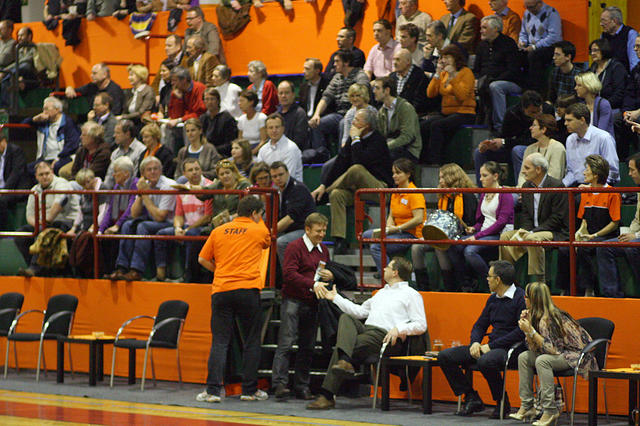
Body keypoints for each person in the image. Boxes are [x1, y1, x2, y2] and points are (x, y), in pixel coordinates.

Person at [306, 257, 427, 410]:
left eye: (388, 267)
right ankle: (344, 362)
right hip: (368, 331)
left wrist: (399, 329)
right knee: (346, 318)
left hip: (386, 337)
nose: (384, 269)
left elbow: (421, 324)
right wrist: (335, 298)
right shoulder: (381, 293)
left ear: (395, 272)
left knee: (343, 348)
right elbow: (359, 312)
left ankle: (328, 393)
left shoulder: (411, 294)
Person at [196, 196, 271, 403]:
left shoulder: (218, 231)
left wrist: (219, 271)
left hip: (222, 289)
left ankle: (212, 391)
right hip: (248, 290)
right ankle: (249, 391)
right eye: (260, 214)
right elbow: (267, 242)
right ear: (254, 213)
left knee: (219, 342)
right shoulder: (259, 230)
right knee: (251, 341)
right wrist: (259, 221)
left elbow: (202, 259)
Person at [438, 260, 525, 419]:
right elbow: (480, 325)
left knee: (486, 361)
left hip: (513, 348)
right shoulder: (493, 299)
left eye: (489, 276)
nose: (487, 279)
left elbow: (520, 332)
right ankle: (471, 397)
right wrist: (476, 342)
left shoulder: (521, 298)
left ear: (498, 280)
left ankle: (501, 402)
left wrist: (491, 346)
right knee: (445, 356)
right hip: (490, 346)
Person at [511, 282, 597, 425]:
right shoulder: (535, 315)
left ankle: (550, 410)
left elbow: (553, 350)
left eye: (526, 296)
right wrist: (527, 330)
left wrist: (531, 331)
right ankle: (527, 405)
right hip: (558, 354)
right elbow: (534, 348)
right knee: (524, 357)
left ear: (534, 299)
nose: (524, 299)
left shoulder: (553, 317)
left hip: (576, 354)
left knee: (542, 360)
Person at [311, 108, 393, 254]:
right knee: (337, 194)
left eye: (357, 120)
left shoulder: (378, 140)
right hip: (359, 191)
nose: (353, 122)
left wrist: (355, 139)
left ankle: (323, 195)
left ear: (366, 126)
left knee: (356, 169)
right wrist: (323, 184)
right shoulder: (353, 140)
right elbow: (340, 163)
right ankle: (340, 240)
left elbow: (360, 161)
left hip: (380, 190)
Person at [272, 213, 332, 401]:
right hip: (293, 300)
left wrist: (330, 276)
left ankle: (302, 386)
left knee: (308, 346)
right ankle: (279, 384)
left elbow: (322, 271)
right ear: (307, 229)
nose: (322, 234)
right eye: (318, 231)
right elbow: (289, 274)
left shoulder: (323, 250)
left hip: (312, 302)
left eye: (324, 230)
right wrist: (312, 284)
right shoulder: (294, 247)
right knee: (286, 342)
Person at [106, 156, 176, 282]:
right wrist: (140, 193)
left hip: (168, 223)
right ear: (143, 173)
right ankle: (121, 268)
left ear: (161, 171)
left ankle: (136, 270)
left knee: (143, 227)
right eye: (149, 170)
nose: (153, 172)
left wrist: (145, 194)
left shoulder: (169, 185)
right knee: (127, 224)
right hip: (152, 220)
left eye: (156, 169)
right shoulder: (145, 184)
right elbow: (134, 214)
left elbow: (160, 217)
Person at [501, 153, 568, 282]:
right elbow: (526, 215)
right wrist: (526, 230)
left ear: (538, 169)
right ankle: (508, 279)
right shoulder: (526, 186)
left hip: (555, 231)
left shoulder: (556, 186)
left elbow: (557, 218)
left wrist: (532, 232)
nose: (523, 171)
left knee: (532, 239)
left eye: (527, 168)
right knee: (505, 237)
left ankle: (538, 283)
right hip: (532, 230)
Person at [448, 161, 514, 291]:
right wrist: (474, 228)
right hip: (484, 234)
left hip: (499, 234)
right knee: (454, 245)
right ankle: (467, 283)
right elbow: (481, 220)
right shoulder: (484, 193)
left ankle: (492, 283)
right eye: (480, 175)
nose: (480, 179)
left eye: (484, 175)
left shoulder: (505, 194)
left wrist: (477, 236)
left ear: (495, 176)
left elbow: (501, 223)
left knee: (470, 251)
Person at [415, 163, 477, 290]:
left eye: (443, 177)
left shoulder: (467, 195)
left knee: (441, 246)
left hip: (460, 235)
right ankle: (423, 287)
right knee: (416, 247)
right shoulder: (443, 195)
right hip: (443, 235)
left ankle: (451, 286)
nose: (440, 181)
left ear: (452, 177)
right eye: (440, 178)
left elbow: (470, 221)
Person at [15, 161, 80, 277]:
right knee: (21, 235)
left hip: (65, 222)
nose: (44, 177)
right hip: (43, 223)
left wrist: (45, 222)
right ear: (36, 176)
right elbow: (29, 215)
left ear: (52, 172)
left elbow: (60, 203)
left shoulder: (61, 184)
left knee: (44, 231)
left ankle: (35, 268)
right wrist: (38, 224)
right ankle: (38, 269)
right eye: (41, 175)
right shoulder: (35, 190)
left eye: (47, 173)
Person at [362, 158, 425, 275]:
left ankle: (387, 276)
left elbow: (418, 219)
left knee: (376, 247)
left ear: (408, 174)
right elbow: (391, 215)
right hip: (396, 232)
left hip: (411, 234)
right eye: (393, 173)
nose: (394, 176)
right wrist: (388, 228)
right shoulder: (395, 192)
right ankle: (384, 266)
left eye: (398, 173)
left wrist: (397, 229)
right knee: (365, 235)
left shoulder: (414, 193)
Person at [474, 90, 551, 184]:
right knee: (479, 152)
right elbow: (504, 137)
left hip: (536, 147)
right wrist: (492, 144)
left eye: (539, 110)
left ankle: (522, 187)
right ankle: (482, 190)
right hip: (513, 147)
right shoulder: (512, 113)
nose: (537, 115)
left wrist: (505, 142)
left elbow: (531, 140)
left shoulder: (548, 111)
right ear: (524, 109)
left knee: (517, 150)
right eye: (532, 112)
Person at [156, 158, 212, 282]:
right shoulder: (183, 189)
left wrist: (187, 230)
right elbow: (178, 215)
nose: (195, 172)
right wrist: (178, 228)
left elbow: (208, 217)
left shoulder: (209, 187)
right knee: (161, 234)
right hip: (187, 227)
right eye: (190, 170)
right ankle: (161, 275)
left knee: (190, 235)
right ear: (184, 174)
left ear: (201, 170)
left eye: (197, 169)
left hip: (203, 227)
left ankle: (188, 276)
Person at [309, 49, 369, 160]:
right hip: (339, 114)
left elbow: (362, 97)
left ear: (346, 62)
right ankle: (321, 156)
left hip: (356, 113)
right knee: (317, 124)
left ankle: (343, 158)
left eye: (337, 61)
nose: (334, 64)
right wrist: (316, 114)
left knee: (343, 124)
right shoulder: (337, 77)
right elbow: (326, 97)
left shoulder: (360, 76)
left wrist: (349, 115)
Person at [422, 44, 476, 164]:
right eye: (442, 57)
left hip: (464, 113)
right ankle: (423, 161)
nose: (443, 60)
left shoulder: (466, 72)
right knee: (424, 125)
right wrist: (437, 74)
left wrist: (452, 77)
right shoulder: (443, 74)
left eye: (447, 57)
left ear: (455, 58)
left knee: (437, 125)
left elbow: (462, 96)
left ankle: (435, 162)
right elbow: (430, 93)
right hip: (447, 113)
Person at [575, 155, 621, 296]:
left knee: (585, 248)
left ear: (595, 174)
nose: (584, 173)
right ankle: (571, 290)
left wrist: (594, 235)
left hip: (607, 235)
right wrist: (580, 233)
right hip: (590, 234)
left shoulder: (612, 193)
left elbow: (614, 223)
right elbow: (583, 220)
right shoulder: (585, 193)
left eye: (587, 170)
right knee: (568, 247)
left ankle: (592, 289)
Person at [596, 152, 640, 298]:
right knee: (604, 247)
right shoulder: (638, 189)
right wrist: (630, 232)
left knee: (632, 246)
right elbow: (637, 219)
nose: (629, 174)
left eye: (632, 170)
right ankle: (612, 296)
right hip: (637, 235)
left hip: (638, 238)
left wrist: (635, 236)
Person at [474, 14, 522, 134]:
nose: (481, 31)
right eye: (481, 28)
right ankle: (478, 122)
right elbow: (477, 69)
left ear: (495, 29)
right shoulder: (481, 45)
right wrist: (475, 80)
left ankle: (500, 126)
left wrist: (493, 80)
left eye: (484, 28)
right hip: (485, 80)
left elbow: (513, 71)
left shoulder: (508, 44)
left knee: (495, 86)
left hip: (510, 82)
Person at [270, 161, 316, 266]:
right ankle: (273, 274)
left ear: (287, 173)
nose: (278, 178)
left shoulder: (298, 189)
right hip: (288, 230)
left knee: (281, 242)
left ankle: (288, 273)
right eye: (274, 176)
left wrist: (270, 232)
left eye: (281, 175)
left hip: (306, 229)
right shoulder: (275, 192)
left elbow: (290, 218)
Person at [98, 156, 138, 274]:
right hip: (117, 221)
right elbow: (109, 210)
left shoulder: (135, 184)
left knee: (124, 228)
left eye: (116, 172)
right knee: (102, 236)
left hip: (132, 220)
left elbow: (130, 208)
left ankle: (121, 268)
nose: (113, 175)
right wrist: (100, 229)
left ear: (126, 173)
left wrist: (117, 225)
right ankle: (105, 272)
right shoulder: (116, 186)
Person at [563, 103, 619, 187]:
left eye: (569, 120)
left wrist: (592, 186)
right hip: (578, 187)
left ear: (582, 120)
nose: (565, 123)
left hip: (601, 188)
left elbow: (612, 172)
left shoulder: (603, 138)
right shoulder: (570, 140)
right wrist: (560, 186)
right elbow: (571, 172)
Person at [22, 96, 80, 176]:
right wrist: (35, 119)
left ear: (57, 110)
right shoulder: (43, 122)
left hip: (63, 157)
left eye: (46, 109)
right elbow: (23, 126)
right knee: (26, 169)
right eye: (43, 109)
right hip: (45, 159)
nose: (44, 112)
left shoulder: (68, 123)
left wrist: (59, 158)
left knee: (56, 167)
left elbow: (72, 144)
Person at [373, 77, 422, 162]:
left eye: (377, 88)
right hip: (392, 146)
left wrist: (385, 147)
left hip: (409, 150)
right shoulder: (382, 112)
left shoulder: (405, 107)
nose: (374, 91)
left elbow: (407, 137)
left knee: (386, 156)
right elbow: (381, 135)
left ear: (387, 90)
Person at [518, 0, 562, 92]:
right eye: (526, 7)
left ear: (540, 4)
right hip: (531, 46)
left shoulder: (551, 13)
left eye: (531, 7)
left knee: (534, 56)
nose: (529, 10)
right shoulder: (526, 13)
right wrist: (522, 42)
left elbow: (554, 37)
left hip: (549, 47)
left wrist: (535, 46)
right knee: (519, 54)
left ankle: (537, 90)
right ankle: (523, 87)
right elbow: (523, 33)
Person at [518, 114, 566, 186]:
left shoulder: (557, 148)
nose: (530, 128)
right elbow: (522, 175)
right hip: (528, 189)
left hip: (548, 190)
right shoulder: (529, 149)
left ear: (543, 129)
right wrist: (522, 189)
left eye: (534, 125)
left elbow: (555, 176)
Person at [256, 113, 303, 182]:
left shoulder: (291, 148)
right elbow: (259, 173)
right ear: (266, 130)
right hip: (268, 186)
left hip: (290, 187)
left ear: (283, 128)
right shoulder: (263, 149)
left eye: (277, 127)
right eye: (271, 128)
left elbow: (287, 177)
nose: (274, 130)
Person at [103, 120, 146, 189]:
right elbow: (110, 177)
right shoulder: (115, 153)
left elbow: (135, 177)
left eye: (117, 133)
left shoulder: (141, 151)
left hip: (134, 190)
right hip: (117, 191)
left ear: (127, 134)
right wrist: (105, 191)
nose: (114, 136)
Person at [588, 38, 628, 111]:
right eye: (591, 51)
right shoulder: (593, 67)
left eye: (595, 50)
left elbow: (619, 94)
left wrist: (601, 106)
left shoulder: (617, 67)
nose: (592, 53)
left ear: (604, 50)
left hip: (612, 107)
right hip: (593, 106)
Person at [0, 133, 29, 230]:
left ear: (3, 141)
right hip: (3, 189)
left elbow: (16, 174)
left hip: (17, 189)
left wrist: (4, 191)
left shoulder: (15, 151)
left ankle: (2, 231)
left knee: (1, 201)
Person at [388, 49, 430, 115]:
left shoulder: (419, 76)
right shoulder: (392, 77)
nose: (394, 63)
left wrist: (405, 113)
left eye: (398, 60)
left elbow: (419, 102)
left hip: (412, 114)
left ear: (408, 61)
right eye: (394, 60)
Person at [199, 87, 238, 158]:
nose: (209, 102)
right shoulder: (203, 118)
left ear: (218, 101)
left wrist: (212, 150)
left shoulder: (227, 118)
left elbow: (230, 143)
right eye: (207, 99)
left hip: (223, 153)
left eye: (212, 99)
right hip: (206, 152)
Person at [574, 71, 614, 137]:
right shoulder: (581, 105)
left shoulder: (603, 104)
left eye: (579, 85)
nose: (575, 88)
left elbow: (601, 132)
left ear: (588, 86)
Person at [599, 6, 639, 73]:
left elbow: (634, 63)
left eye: (604, 21)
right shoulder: (603, 36)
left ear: (614, 21)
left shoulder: (630, 34)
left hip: (625, 76)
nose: (601, 24)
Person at [276, 80, 309, 152]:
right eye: (281, 93)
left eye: (287, 93)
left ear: (293, 94)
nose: (283, 96)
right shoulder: (275, 115)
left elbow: (299, 140)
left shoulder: (300, 114)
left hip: (293, 152)